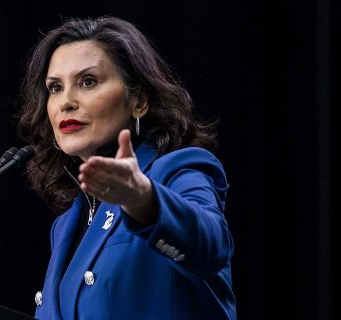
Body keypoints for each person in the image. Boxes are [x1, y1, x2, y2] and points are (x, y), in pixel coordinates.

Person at [17, 16, 236, 320]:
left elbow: (210, 249)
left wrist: (143, 201)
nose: (65, 102)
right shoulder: (65, 227)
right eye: (55, 88)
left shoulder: (176, 172)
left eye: (87, 82)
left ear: (138, 101)